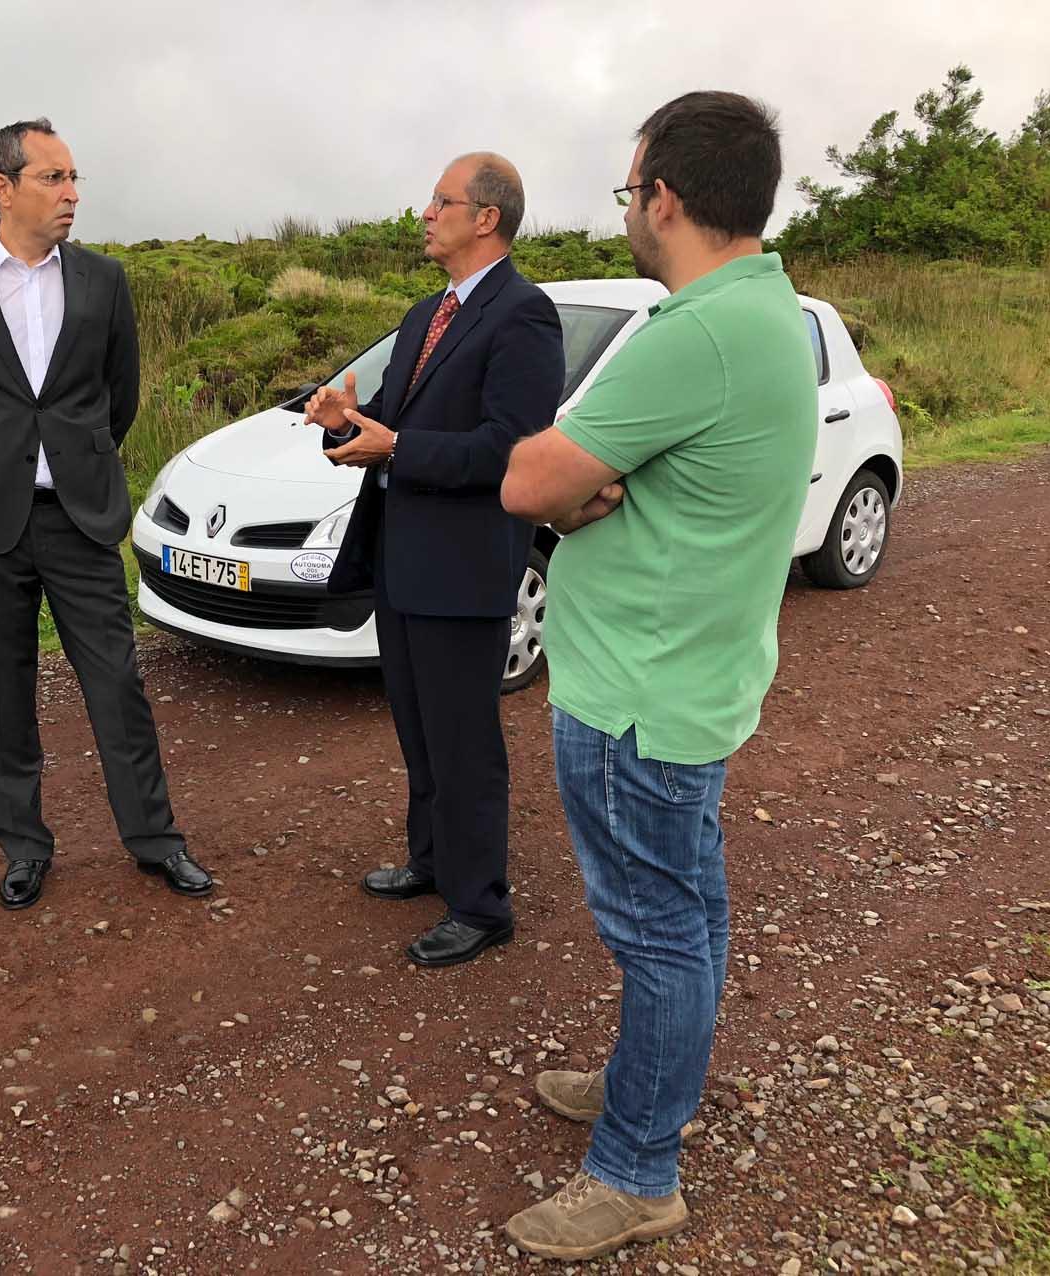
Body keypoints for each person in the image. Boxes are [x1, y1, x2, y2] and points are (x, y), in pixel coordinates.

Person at [496, 91, 818, 1259]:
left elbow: (530, 480)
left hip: (641, 693)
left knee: (660, 932)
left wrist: (574, 486)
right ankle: (653, 1077)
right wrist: (593, 482)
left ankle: (638, 1169)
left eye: (629, 191)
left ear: (664, 197)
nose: (627, 210)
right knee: (688, 910)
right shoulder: (766, 308)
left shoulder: (699, 333)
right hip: (691, 677)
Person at [0, 119, 211, 911]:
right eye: (53, 178)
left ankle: (155, 839)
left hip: (79, 516)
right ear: (2, 187)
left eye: (74, 178)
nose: (71, 193)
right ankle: (24, 847)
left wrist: (75, 462)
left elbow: (119, 396)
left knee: (116, 682)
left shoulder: (104, 279)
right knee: (1, 692)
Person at [302, 153, 564, 968]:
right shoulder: (427, 314)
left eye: (440, 201)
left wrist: (396, 446)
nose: (424, 212)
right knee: (418, 728)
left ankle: (481, 905)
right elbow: (391, 420)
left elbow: (511, 447)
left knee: (463, 741)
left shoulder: (523, 315)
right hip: (403, 557)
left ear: (485, 217)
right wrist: (343, 420)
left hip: (464, 565)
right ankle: (431, 860)